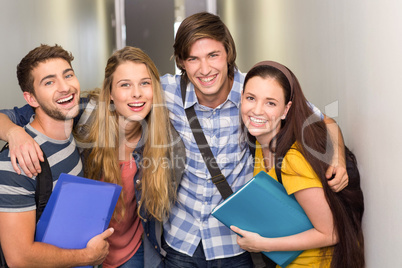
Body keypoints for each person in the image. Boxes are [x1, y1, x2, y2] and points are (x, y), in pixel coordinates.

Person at [160, 12, 349, 267]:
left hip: (236, 243)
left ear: (228, 52)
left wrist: (338, 158)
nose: (204, 69)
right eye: (193, 58)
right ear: (182, 62)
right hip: (181, 239)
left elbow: (325, 121)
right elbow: (121, 94)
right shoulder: (167, 92)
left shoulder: (254, 91)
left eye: (213, 55)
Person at [0, 46, 185, 268]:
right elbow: (19, 256)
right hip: (84, 256)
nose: (136, 93)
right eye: (125, 84)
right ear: (109, 93)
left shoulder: (165, 136)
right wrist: (13, 132)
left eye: (145, 83)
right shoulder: (86, 115)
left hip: (133, 254)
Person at [231, 60, 364, 267]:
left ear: (286, 110)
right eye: (251, 98)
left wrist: (262, 244)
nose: (257, 110)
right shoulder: (260, 142)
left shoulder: (292, 160)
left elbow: (331, 233)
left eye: (270, 103)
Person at [0, 44, 113, 267]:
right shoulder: (18, 161)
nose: (65, 87)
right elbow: (19, 258)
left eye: (68, 75)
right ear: (31, 99)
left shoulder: (75, 118)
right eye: (49, 82)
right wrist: (88, 256)